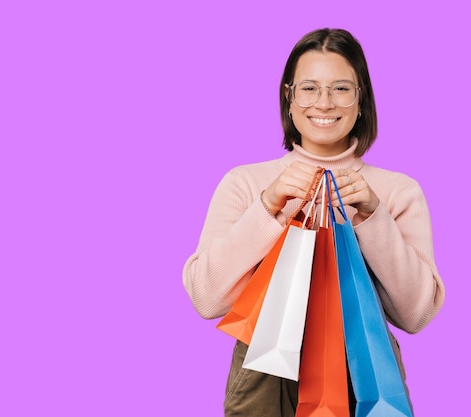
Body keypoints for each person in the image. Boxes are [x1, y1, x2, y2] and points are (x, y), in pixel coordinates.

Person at [183, 28, 445, 417]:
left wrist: (373, 217)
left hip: (366, 375)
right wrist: (268, 208)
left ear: (361, 102)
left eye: (341, 88)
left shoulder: (396, 191)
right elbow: (206, 299)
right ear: (289, 98)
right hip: (264, 376)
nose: (324, 102)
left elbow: (416, 314)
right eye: (309, 88)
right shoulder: (246, 183)